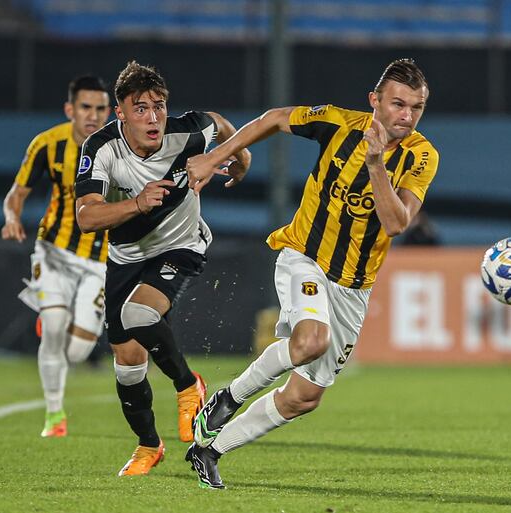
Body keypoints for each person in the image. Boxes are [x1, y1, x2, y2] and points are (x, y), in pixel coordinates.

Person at [184, 58, 439, 489]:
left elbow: (396, 223)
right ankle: (227, 399)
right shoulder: (337, 124)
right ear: (374, 101)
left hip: (354, 287)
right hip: (305, 256)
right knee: (309, 341)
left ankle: (209, 450)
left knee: (304, 398)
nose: (406, 116)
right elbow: (274, 118)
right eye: (398, 104)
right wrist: (214, 158)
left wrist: (376, 165)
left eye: (416, 107)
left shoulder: (422, 156)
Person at [74, 61, 251, 476]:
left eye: (158, 106)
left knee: (139, 315)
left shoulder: (186, 131)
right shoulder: (101, 150)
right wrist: (137, 203)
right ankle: (148, 446)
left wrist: (239, 159)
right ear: (120, 112)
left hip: (181, 245)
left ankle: (189, 385)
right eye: (140, 108)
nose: (152, 117)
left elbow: (222, 125)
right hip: (126, 257)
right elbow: (86, 217)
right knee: (128, 364)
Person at [1, 75, 112, 438]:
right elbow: (17, 193)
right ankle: (54, 417)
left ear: (109, 111)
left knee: (79, 351)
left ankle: (55, 318)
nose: (92, 115)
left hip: (100, 260)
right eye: (85, 107)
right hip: (53, 250)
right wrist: (12, 217)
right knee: (52, 330)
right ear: (70, 109)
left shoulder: (120, 146)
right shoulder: (48, 145)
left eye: (100, 108)